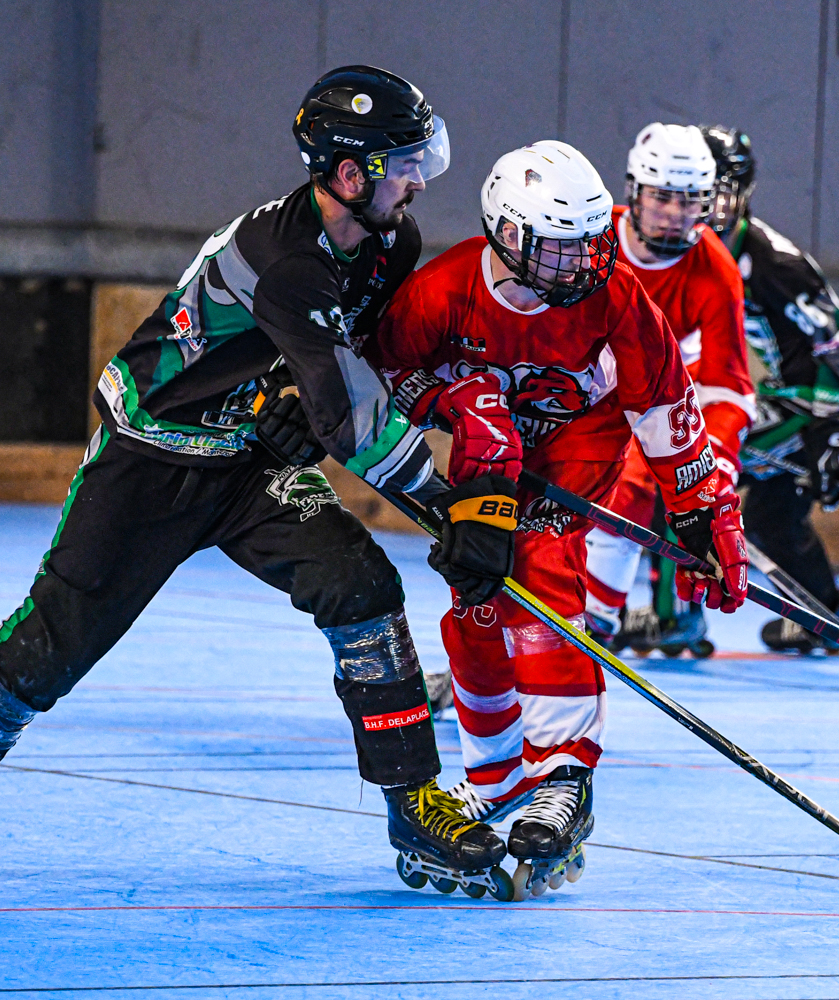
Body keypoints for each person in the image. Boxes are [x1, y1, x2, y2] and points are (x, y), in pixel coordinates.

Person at [0, 66, 517, 888]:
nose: (420, 177)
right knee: (45, 658)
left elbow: (345, 359)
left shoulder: (390, 240)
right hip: (154, 459)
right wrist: (449, 501)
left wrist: (286, 398)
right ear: (350, 175)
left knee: (361, 585)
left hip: (248, 463)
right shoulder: (287, 260)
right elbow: (347, 406)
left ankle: (415, 802)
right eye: (406, 160)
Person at [368, 139, 749, 897]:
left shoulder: (611, 295)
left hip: (584, 435)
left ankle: (564, 775)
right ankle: (496, 776)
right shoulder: (440, 291)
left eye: (590, 246)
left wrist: (707, 510)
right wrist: (448, 403)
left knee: (538, 570)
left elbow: (667, 403)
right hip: (488, 446)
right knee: (475, 596)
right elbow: (382, 369)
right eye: (562, 249)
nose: (584, 264)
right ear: (509, 237)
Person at [700, 124, 839, 653]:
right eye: (698, 195)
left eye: (719, 195)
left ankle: (674, 619)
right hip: (787, 395)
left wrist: (833, 429)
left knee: (692, 467)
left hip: (824, 400)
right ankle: (828, 619)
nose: (708, 210)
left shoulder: (774, 265)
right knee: (770, 518)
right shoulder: (693, 254)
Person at [581, 123, 754, 656]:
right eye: (662, 197)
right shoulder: (588, 238)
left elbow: (730, 390)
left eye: (691, 200)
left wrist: (713, 473)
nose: (675, 213)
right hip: (565, 397)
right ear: (633, 190)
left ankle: (593, 626)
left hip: (645, 408)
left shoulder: (717, 273)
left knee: (627, 492)